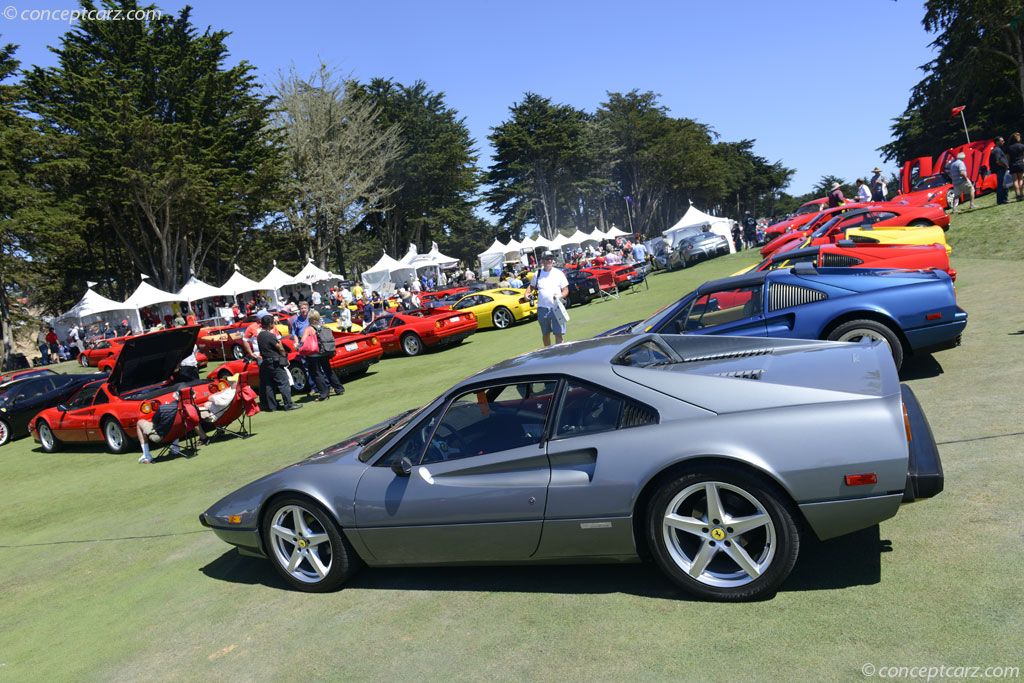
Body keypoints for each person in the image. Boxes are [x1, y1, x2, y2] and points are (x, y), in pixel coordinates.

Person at [257, 314, 301, 412]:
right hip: (274, 362)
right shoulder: (270, 335)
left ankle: (272, 406)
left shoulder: (260, 335)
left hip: (266, 362)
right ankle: (288, 404)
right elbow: (280, 347)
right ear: (270, 324)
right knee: (283, 383)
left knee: (269, 385)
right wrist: (284, 357)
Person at [525, 251, 569, 346]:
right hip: (542, 308)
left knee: (559, 334)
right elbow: (532, 286)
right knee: (545, 334)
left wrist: (560, 296)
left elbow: (565, 289)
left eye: (551, 258)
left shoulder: (558, 273)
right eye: (547, 259)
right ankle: (548, 354)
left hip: (556, 307)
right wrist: (527, 293)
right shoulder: (538, 273)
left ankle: (560, 356)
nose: (549, 260)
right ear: (542, 261)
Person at [301, 310, 345, 401]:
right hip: (325, 351)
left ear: (310, 319)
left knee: (317, 374)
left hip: (314, 354)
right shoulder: (323, 327)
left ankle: (324, 394)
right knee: (328, 370)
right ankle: (339, 388)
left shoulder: (309, 328)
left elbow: (303, 340)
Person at [990, 136, 1010, 205]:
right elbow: (997, 161)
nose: (1003, 142)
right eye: (1002, 141)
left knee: (1004, 185)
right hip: (1000, 170)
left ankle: (1004, 198)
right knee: (1001, 185)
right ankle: (1001, 200)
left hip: (1001, 169)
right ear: (997, 142)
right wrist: (1005, 166)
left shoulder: (998, 149)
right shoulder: (997, 150)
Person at [1007, 132, 1024, 201]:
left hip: (1012, 164)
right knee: (1021, 179)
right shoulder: (1022, 146)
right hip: (1020, 164)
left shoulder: (1009, 147)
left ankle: (1017, 195)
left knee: (1015, 180)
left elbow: (1008, 158)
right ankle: (1021, 194)